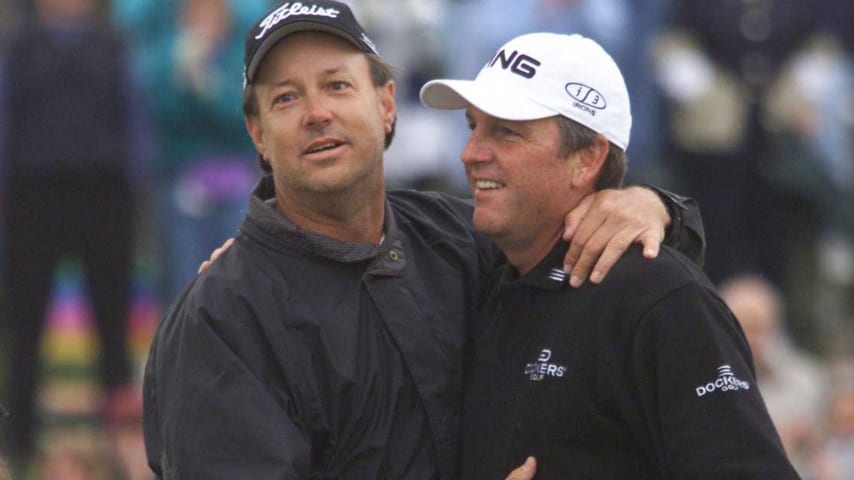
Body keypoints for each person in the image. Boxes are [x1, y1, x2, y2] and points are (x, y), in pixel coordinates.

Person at [143, 1, 704, 478]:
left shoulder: (463, 241)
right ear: (258, 135)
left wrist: (655, 207)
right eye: (285, 98)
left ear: (387, 105)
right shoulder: (222, 318)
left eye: (337, 85)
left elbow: (601, 271)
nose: (317, 113)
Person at [419, 32, 799, 478]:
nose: (470, 153)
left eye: (506, 132)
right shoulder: (473, 276)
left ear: (587, 157)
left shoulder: (663, 299)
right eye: (472, 126)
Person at [0, 0, 138, 467]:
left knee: (113, 323)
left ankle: (117, 439)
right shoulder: (18, 44)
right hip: (31, 196)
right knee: (25, 321)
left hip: (104, 194)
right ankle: (18, 439)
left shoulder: (112, 44)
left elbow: (133, 117)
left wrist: (134, 183)